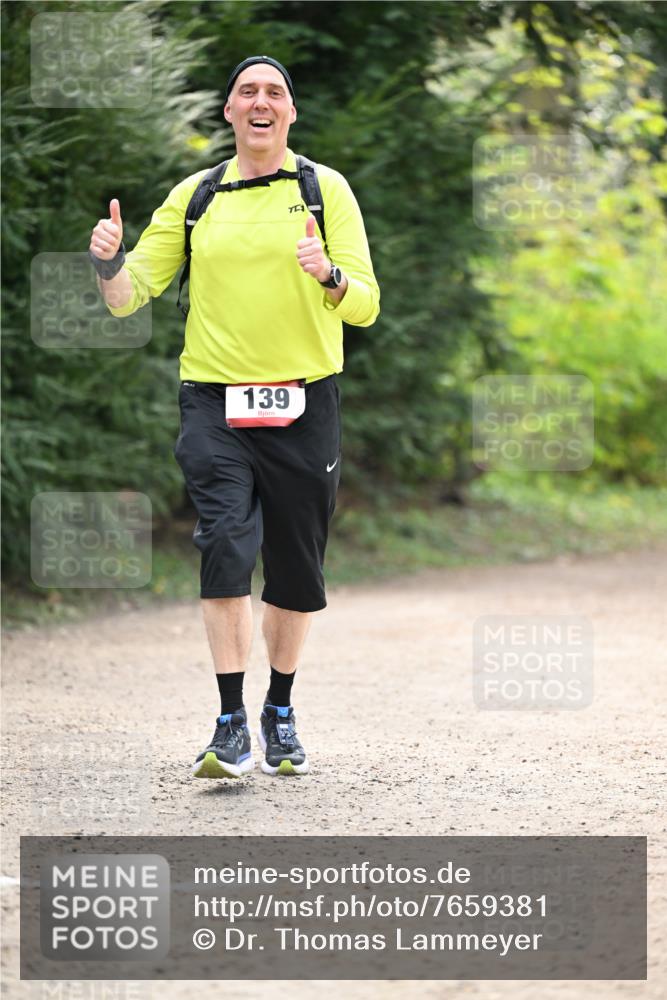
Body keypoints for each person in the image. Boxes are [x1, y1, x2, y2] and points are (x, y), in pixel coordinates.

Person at [89, 55, 380, 779]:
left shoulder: (324, 190)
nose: (260, 102)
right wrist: (108, 263)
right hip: (214, 402)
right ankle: (229, 724)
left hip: (304, 402)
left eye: (274, 92)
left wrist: (329, 275)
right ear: (228, 112)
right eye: (246, 92)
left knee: (296, 566)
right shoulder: (196, 196)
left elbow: (367, 304)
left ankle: (279, 710)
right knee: (223, 542)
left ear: (290, 113)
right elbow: (128, 297)